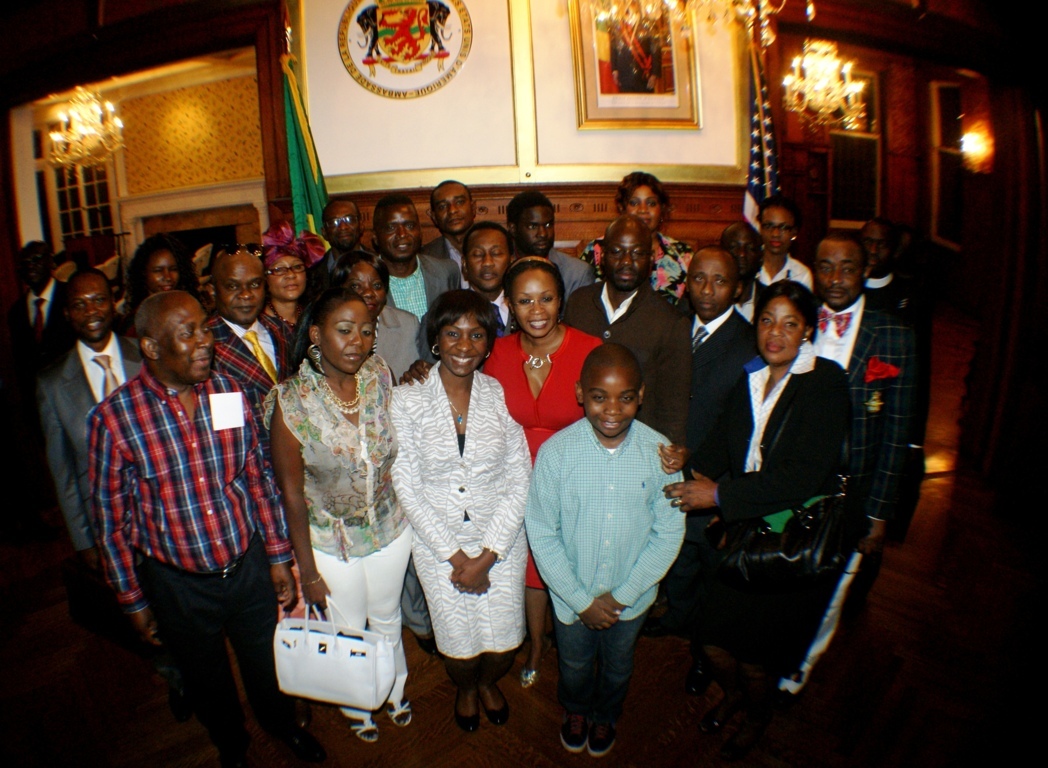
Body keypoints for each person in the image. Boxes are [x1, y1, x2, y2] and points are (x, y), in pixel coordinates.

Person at [88, 290, 325, 768]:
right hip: (178, 585)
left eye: (204, 328)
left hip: (248, 566)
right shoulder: (114, 420)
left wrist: (278, 555)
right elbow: (110, 523)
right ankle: (231, 746)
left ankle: (281, 726)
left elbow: (256, 474)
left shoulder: (228, 393)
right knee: (206, 678)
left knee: (266, 663)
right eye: (188, 333)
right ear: (151, 348)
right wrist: (133, 602)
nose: (206, 341)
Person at [663, 280, 850, 761]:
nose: (776, 333)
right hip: (745, 533)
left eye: (790, 324)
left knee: (754, 658)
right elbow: (722, 445)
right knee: (713, 645)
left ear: (808, 329)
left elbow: (802, 477)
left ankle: (758, 714)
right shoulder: (750, 376)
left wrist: (720, 494)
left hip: (787, 539)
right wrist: (681, 469)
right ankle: (733, 697)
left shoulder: (824, 382)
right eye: (767, 320)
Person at [267, 287, 413, 743]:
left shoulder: (379, 375)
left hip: (390, 526)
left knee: (388, 617)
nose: (357, 341)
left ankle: (394, 690)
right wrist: (306, 569)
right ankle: (358, 704)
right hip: (329, 540)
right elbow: (291, 493)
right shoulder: (290, 401)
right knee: (350, 625)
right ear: (316, 334)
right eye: (344, 330)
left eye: (366, 331)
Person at [526, 343, 684, 758]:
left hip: (629, 599)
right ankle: (576, 710)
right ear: (580, 393)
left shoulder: (660, 454)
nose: (612, 409)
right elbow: (542, 532)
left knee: (618, 666)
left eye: (625, 397)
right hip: (570, 598)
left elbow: (668, 533)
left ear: (641, 395)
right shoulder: (557, 453)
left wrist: (621, 596)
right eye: (599, 397)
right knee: (574, 665)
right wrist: (581, 601)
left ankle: (606, 715)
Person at [776, 233, 917, 695]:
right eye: (826, 267)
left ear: (866, 270)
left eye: (847, 267)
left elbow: (896, 433)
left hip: (854, 487)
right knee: (787, 572)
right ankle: (773, 649)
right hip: (796, 478)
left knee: (834, 585)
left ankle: (800, 664)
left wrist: (879, 512)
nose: (835, 279)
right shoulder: (793, 323)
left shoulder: (894, 336)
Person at [390, 291, 531, 733]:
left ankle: (491, 683)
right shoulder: (406, 400)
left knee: (505, 641)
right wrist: (456, 558)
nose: (464, 345)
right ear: (435, 338)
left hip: (501, 539)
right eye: (452, 333)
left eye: (476, 334)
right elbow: (406, 486)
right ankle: (468, 689)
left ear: (490, 343)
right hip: (436, 543)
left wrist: (488, 556)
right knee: (458, 644)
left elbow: (519, 476)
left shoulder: (499, 393)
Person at [641, 247, 758, 701]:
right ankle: (675, 617)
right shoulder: (672, 323)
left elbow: (745, 426)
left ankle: (703, 656)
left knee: (710, 572)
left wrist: (714, 479)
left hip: (709, 477)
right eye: (700, 279)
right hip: (661, 466)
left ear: (738, 288)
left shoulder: (749, 345)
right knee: (679, 560)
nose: (707, 290)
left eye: (720, 281)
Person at [484, 256, 602, 689]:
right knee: (530, 569)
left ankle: (579, 647)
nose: (537, 310)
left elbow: (615, 415)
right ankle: (536, 643)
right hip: (514, 483)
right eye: (525, 300)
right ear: (510, 306)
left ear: (561, 301)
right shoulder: (494, 353)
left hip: (575, 481)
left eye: (547, 298)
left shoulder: (591, 351)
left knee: (571, 564)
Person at [564, 214, 692, 445]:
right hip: (578, 443)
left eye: (637, 253)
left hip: (639, 449)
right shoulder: (578, 303)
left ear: (651, 258)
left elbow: (674, 407)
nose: (626, 261)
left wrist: (670, 450)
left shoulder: (671, 323)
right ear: (602, 255)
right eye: (616, 252)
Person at [207, 246, 293, 453]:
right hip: (246, 471)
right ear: (213, 291)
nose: (246, 295)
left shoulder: (284, 332)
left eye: (254, 284)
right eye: (233, 286)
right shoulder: (204, 347)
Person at [580, 172, 694, 305]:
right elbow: (584, 300)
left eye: (651, 203)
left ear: (662, 209)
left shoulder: (682, 254)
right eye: (634, 203)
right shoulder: (597, 249)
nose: (643, 210)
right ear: (622, 208)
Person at [332, 251, 422, 383]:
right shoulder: (329, 329)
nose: (369, 293)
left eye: (377, 286)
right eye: (356, 286)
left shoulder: (408, 324)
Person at [373, 194, 461, 320]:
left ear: (420, 231)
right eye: (391, 228)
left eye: (409, 226)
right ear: (376, 237)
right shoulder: (366, 283)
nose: (402, 234)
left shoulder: (447, 272)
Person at [506, 190, 595, 299]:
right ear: (513, 229)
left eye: (548, 225)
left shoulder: (578, 273)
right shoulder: (501, 269)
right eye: (533, 226)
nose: (543, 234)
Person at [118, 233, 199, 336]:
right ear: (143, 273)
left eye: (173, 269)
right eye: (158, 270)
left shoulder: (187, 310)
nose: (168, 277)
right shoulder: (134, 323)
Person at [261, 221, 325, 331]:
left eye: (297, 267)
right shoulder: (259, 326)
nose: (291, 275)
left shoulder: (315, 318)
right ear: (265, 278)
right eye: (280, 269)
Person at [422, 180, 477, 285]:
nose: (452, 210)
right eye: (442, 206)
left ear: (473, 207)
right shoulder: (426, 258)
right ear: (434, 216)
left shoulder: (497, 246)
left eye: (459, 202)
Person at [309, 199, 365, 298]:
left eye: (349, 219)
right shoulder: (311, 276)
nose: (343, 227)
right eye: (333, 222)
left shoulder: (380, 263)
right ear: (324, 232)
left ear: (361, 225)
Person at [756, 195, 813, 291]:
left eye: (783, 227)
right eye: (769, 226)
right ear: (760, 228)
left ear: (794, 232)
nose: (775, 234)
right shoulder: (749, 267)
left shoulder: (801, 275)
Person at [720, 221, 763, 321]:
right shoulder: (706, 297)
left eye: (750, 248)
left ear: (761, 258)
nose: (742, 254)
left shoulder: (770, 299)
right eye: (734, 247)